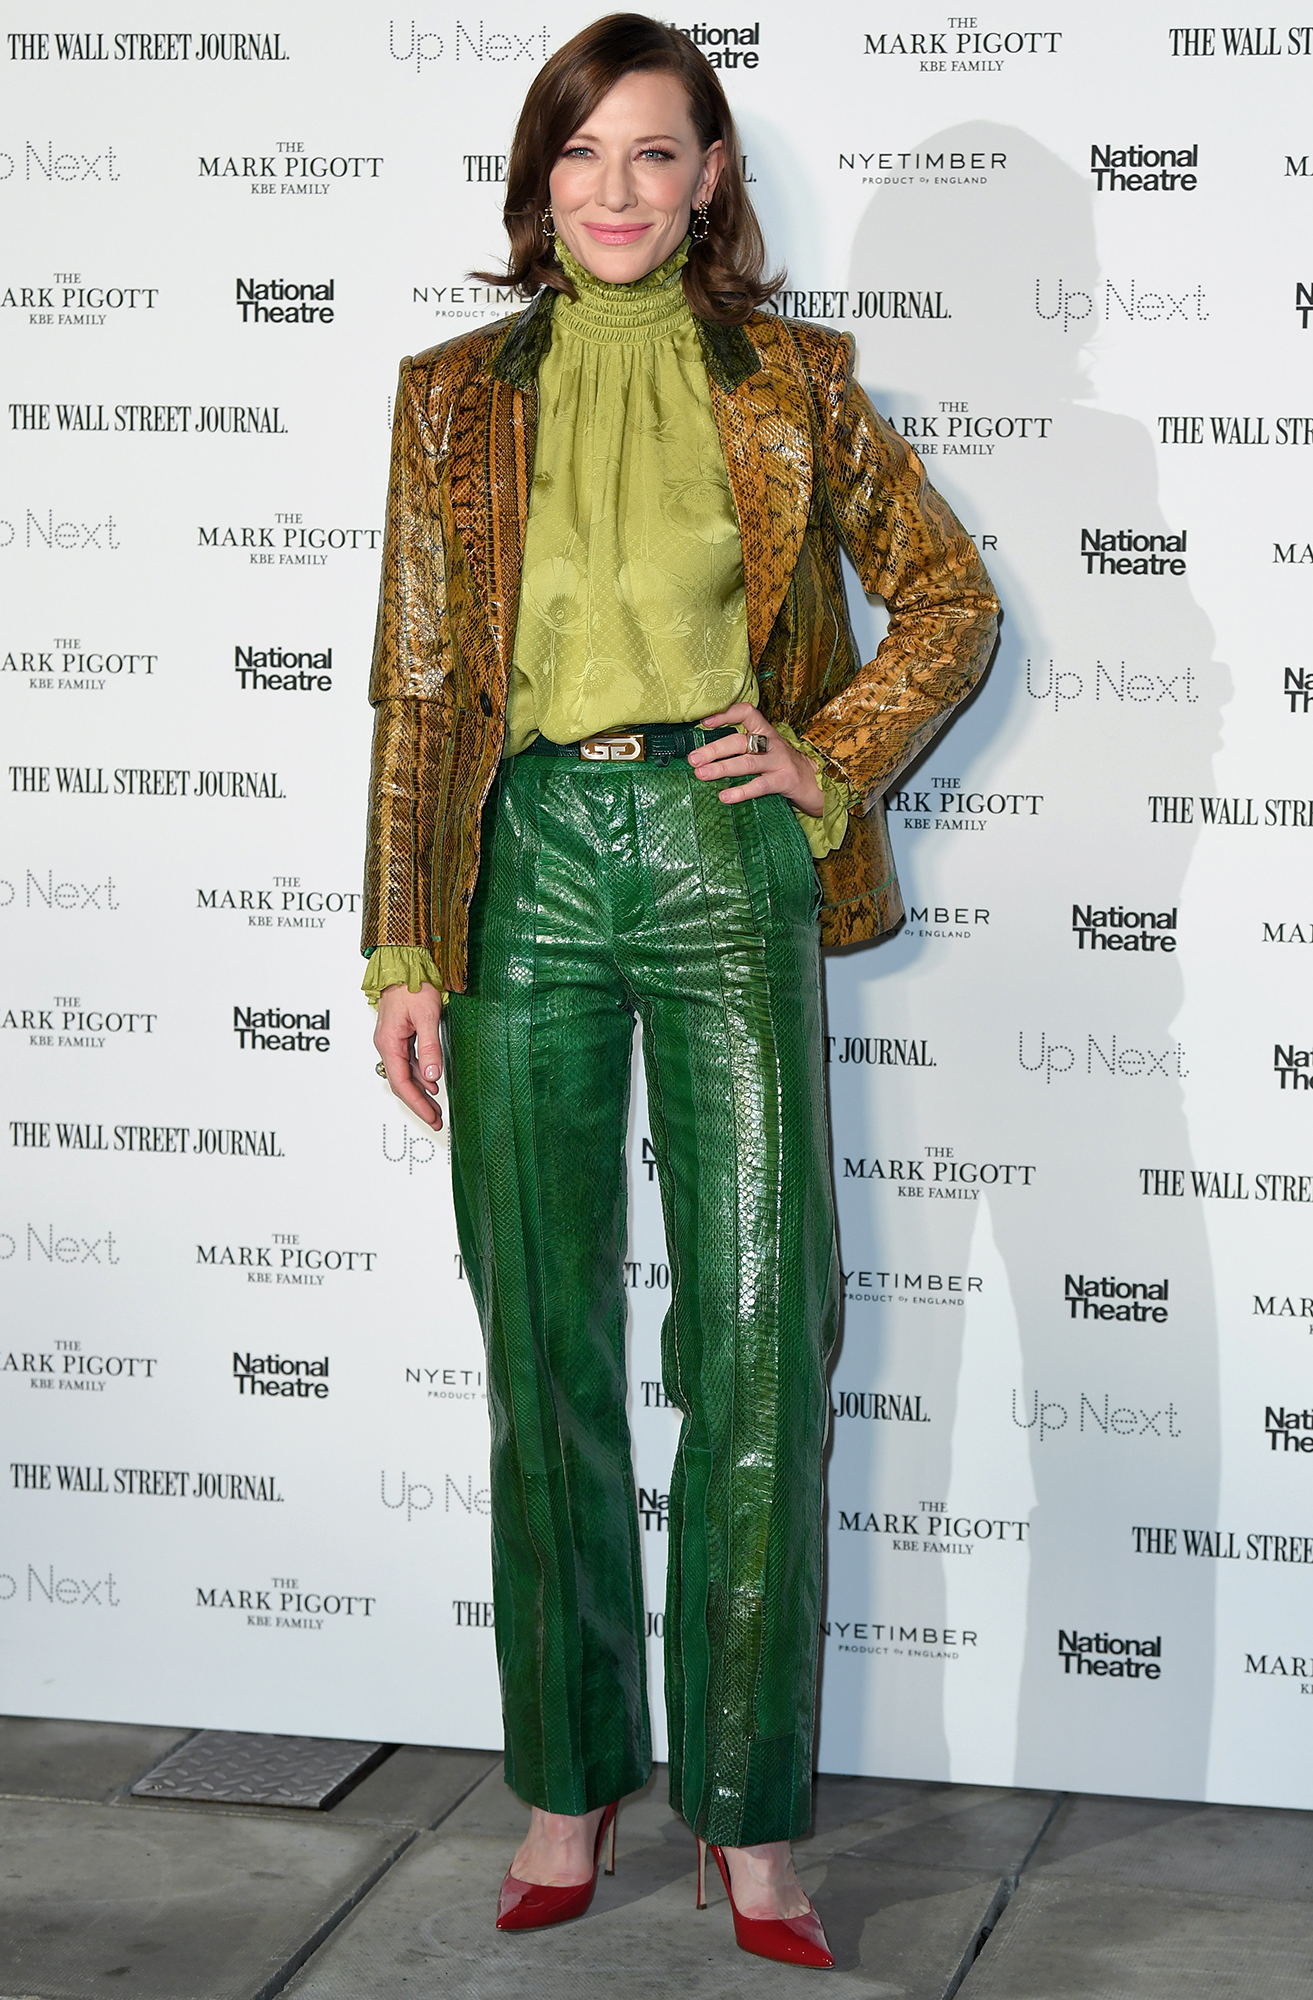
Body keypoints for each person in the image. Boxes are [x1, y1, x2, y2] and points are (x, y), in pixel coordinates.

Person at [363, 12, 998, 1967]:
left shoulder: (800, 386)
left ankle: (752, 1819)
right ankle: (567, 1786)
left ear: (711, 176)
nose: (616, 190)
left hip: (726, 854)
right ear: (537, 183)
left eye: (654, 152)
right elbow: (417, 687)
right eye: (581, 155)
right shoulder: (451, 399)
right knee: (539, 1347)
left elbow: (952, 600)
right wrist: (402, 939)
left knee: (757, 1337)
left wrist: (830, 753)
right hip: (527, 864)